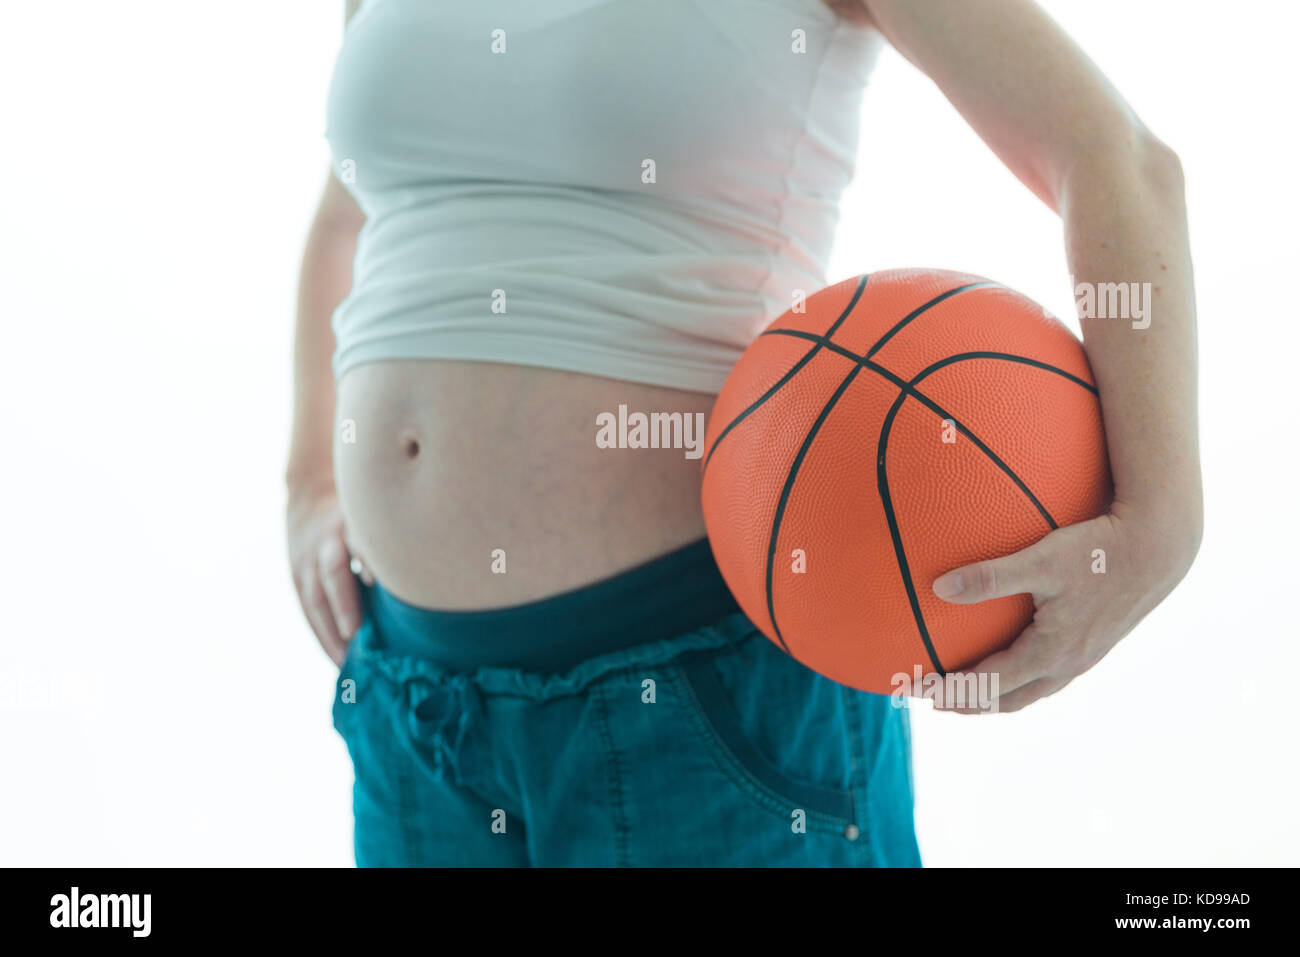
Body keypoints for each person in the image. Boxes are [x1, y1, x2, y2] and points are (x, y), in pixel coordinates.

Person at [286, 0, 1202, 866]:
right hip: (415, 693)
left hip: (709, 692)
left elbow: (1113, 157)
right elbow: (346, 219)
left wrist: (1160, 523)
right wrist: (308, 483)